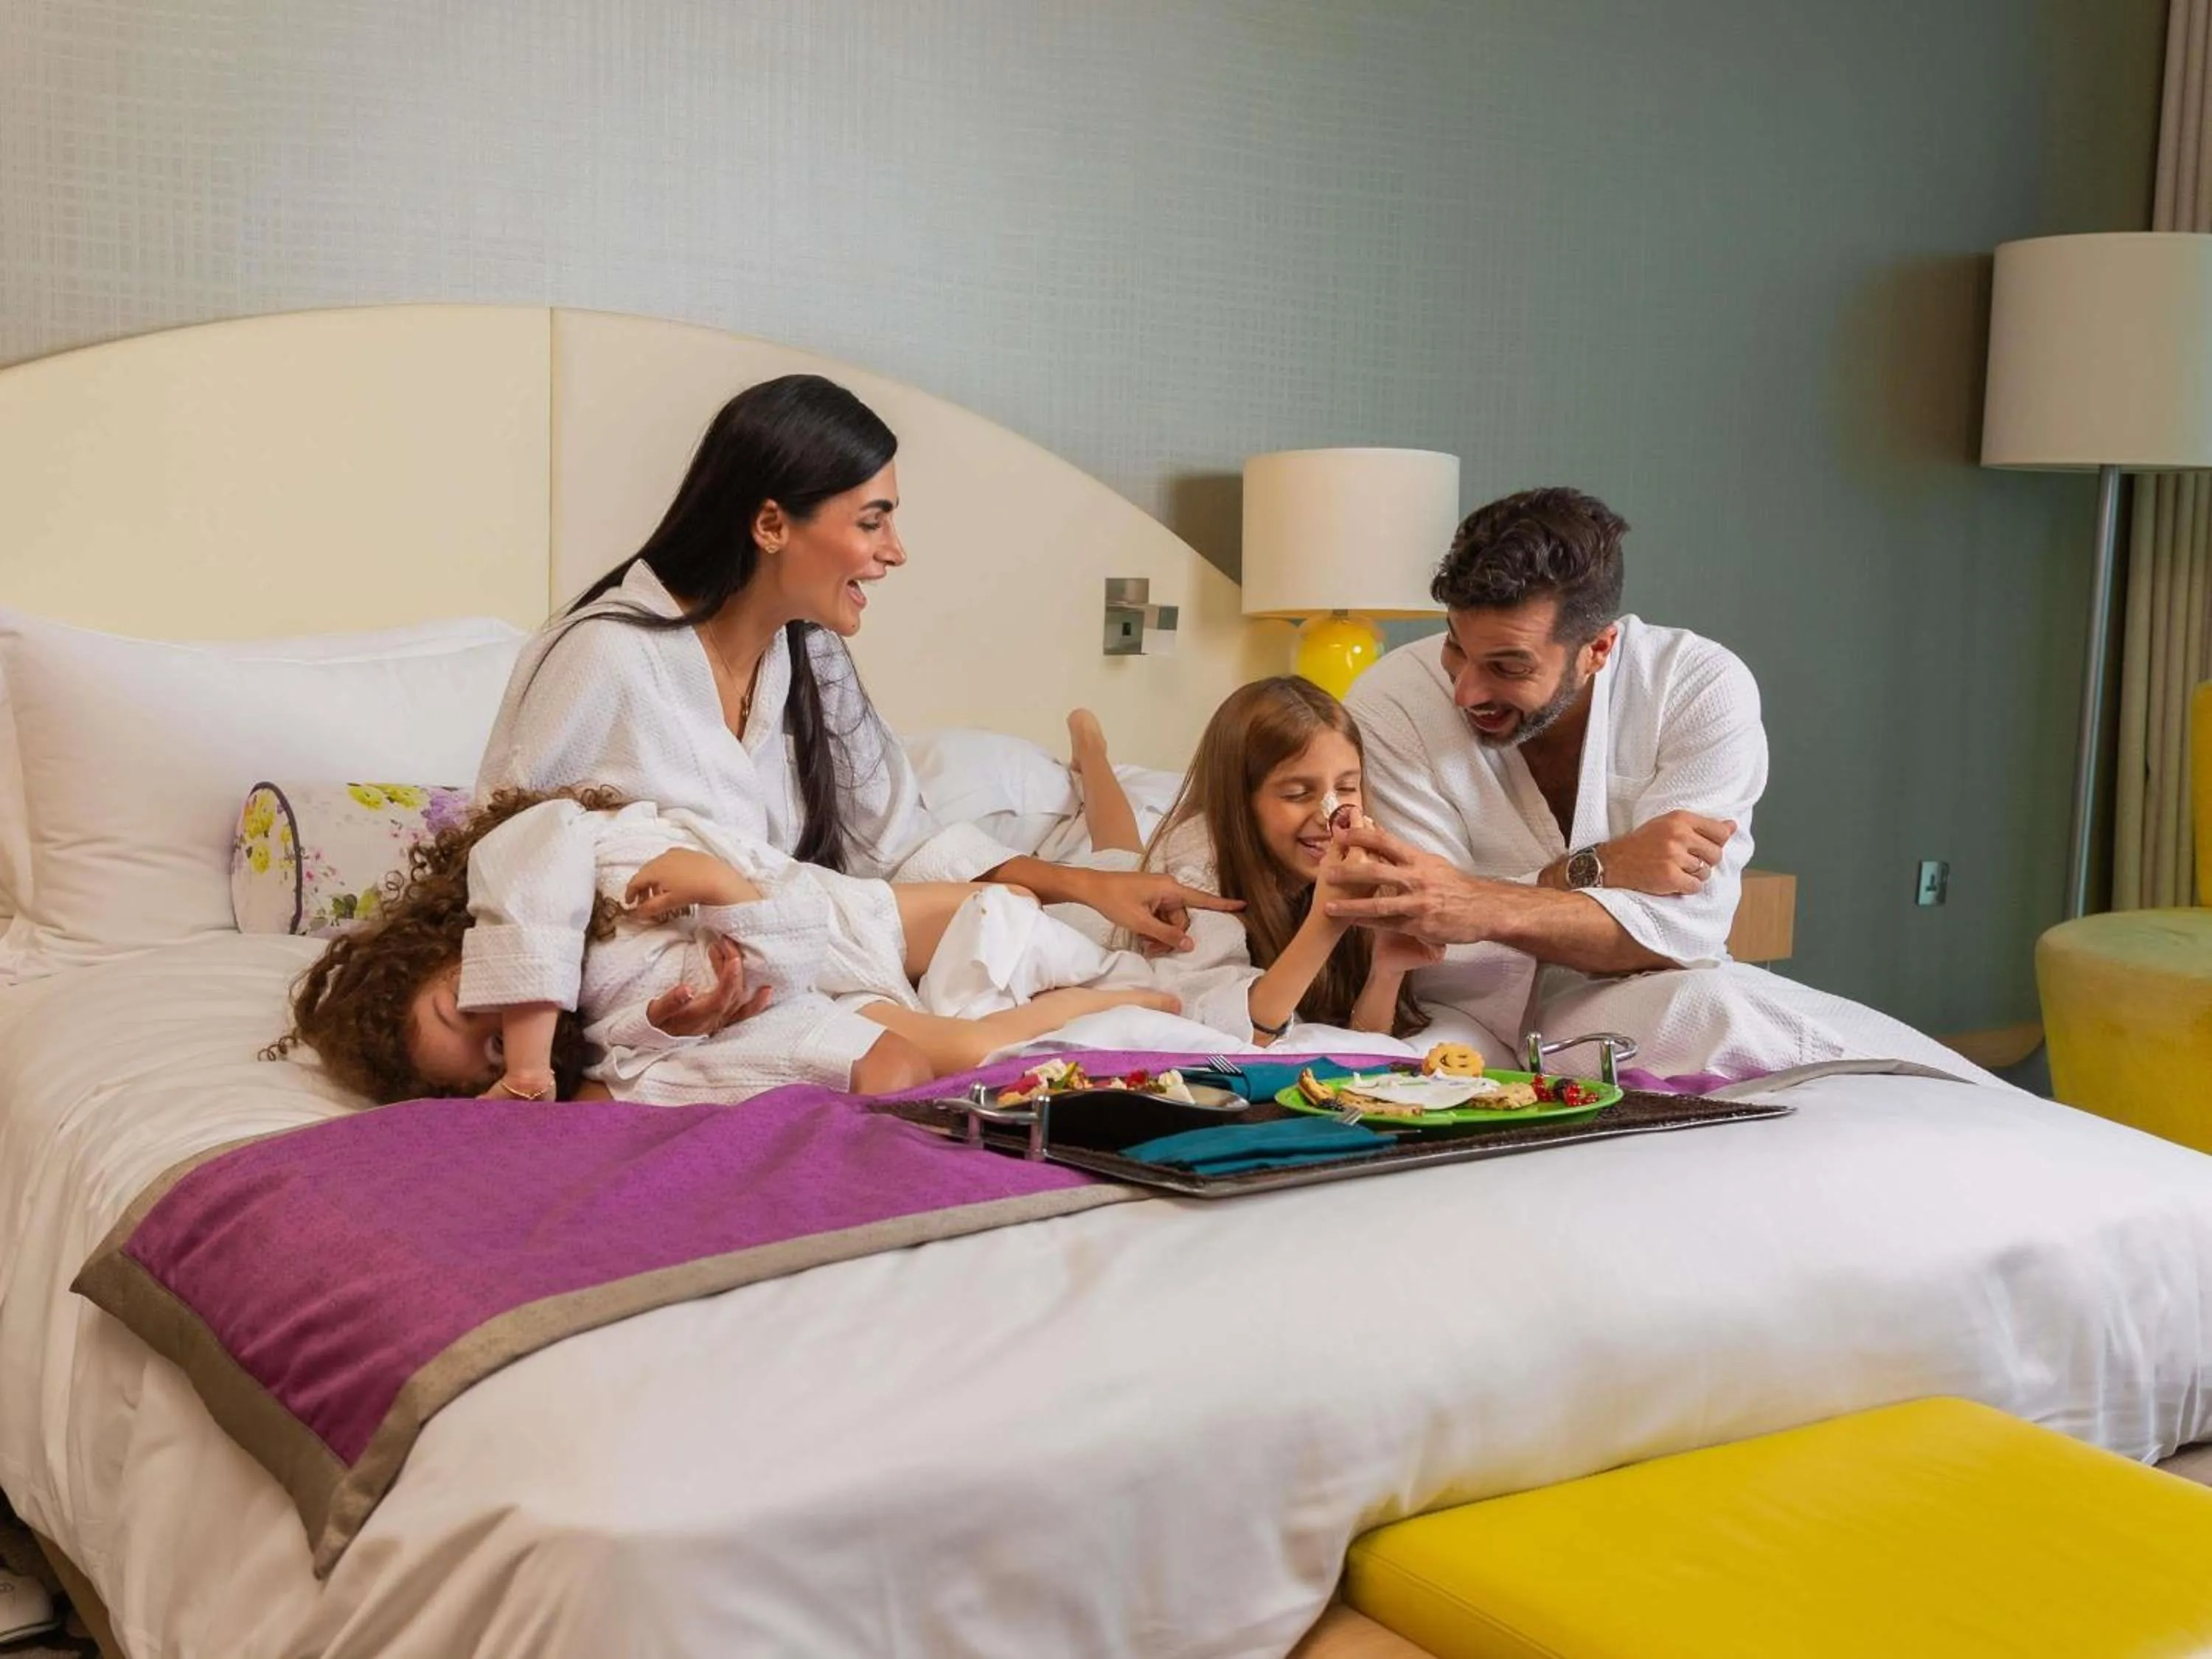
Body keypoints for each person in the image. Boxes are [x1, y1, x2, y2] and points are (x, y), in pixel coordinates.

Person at [474, 375, 1237, 991]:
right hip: (650, 985)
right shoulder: (605, 657)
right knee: (997, 920)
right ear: (771, 525)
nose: (895, 551)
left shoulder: (811, 656)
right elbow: (509, 863)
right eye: (872, 522)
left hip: (789, 952)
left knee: (1016, 916)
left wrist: (1085, 886)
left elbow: (900, 842)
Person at [1329, 486, 1974, 1079]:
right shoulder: (1393, 701)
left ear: (1598, 649)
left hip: (1655, 996)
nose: (1466, 690)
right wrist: (1605, 867)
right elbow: (1433, 933)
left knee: (1732, 1015)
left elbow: (1683, 934)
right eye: (1455, 647)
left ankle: (1977, 1105)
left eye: (1508, 667)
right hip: (1457, 1018)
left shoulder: (1696, 686)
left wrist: (1487, 902)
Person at [268, 787, 1177, 1106]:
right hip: (783, 967)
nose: (499, 1024)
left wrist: (529, 1055)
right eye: (492, 1053)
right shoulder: (599, 1028)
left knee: (998, 904)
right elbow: (644, 1058)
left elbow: (548, 855)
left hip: (832, 914)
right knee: (963, 1053)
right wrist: (683, 1017)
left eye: (458, 1007)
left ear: (430, 954)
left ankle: (1091, 811)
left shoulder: (537, 859)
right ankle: (1106, 1007)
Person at [1131, 677, 1436, 1047]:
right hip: (1110, 896)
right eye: (1297, 793)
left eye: (1345, 788)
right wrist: (1329, 918)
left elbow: (1363, 1043)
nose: (1330, 815)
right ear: (1240, 801)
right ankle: (1091, 748)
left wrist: (1386, 972)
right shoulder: (1195, 867)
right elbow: (1237, 1030)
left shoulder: (1360, 857)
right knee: (1112, 845)